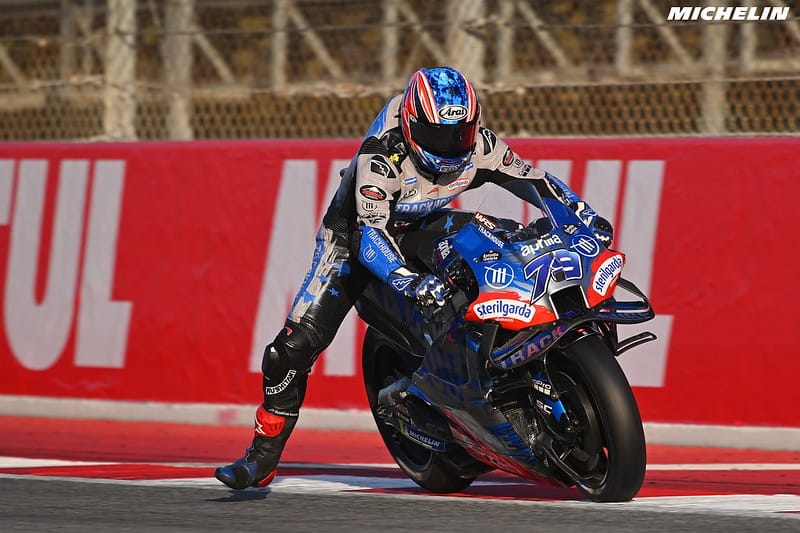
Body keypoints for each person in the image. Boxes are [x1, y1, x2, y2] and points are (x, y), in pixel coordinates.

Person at [214, 66, 613, 490]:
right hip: (355, 242)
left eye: (459, 134)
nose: (451, 146)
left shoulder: (480, 143)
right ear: (410, 124)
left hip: (422, 224)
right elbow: (370, 235)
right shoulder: (380, 159)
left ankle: (514, 355)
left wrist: (582, 216)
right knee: (290, 349)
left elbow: (535, 182)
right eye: (438, 136)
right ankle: (262, 455)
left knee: (499, 236)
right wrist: (408, 280)